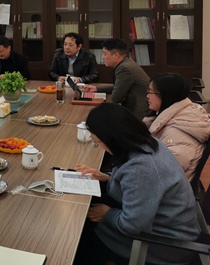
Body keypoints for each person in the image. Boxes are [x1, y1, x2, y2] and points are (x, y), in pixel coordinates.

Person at [74, 103, 200, 265]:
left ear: (112, 138)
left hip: (165, 244)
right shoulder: (146, 144)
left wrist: (107, 214)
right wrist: (108, 177)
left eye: (97, 141)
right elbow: (139, 186)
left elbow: (131, 225)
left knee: (78, 237)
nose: (99, 147)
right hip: (161, 224)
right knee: (88, 207)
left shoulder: (143, 168)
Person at [142, 73, 210, 181]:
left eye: (150, 91)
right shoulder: (182, 114)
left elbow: (167, 170)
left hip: (169, 187)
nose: (147, 96)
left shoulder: (176, 132)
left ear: (165, 95)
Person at [82, 38, 149, 120]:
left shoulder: (124, 68)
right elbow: (119, 87)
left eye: (105, 54)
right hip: (136, 109)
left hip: (138, 113)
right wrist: (96, 88)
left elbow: (116, 98)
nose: (103, 57)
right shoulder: (126, 63)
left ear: (116, 55)